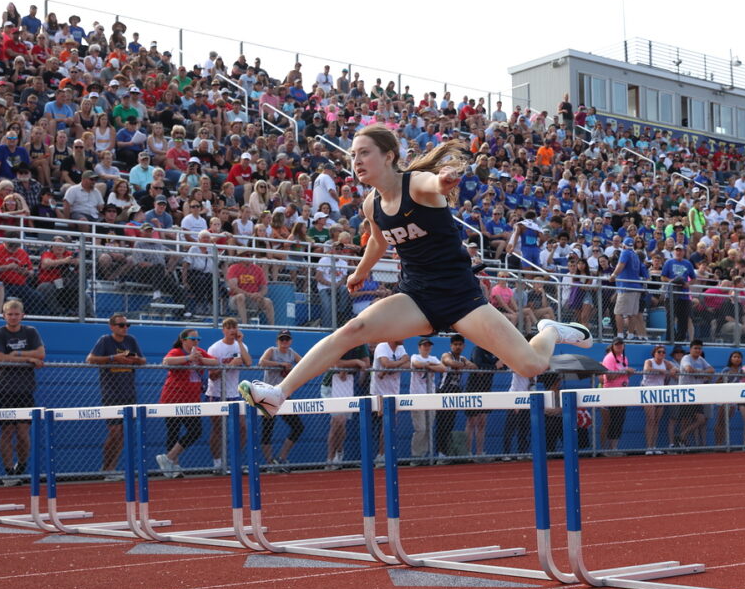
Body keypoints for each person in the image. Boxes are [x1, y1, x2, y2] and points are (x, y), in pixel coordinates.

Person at [239, 124, 590, 415]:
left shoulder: (416, 183)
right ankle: (278, 394)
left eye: (364, 152)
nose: (356, 160)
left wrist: (445, 181)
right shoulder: (371, 203)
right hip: (415, 295)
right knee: (354, 328)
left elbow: (432, 184)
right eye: (352, 155)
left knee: (530, 366)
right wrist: (360, 272)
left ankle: (550, 331)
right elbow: (377, 242)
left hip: (460, 297)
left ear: (388, 156)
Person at [0, 300, 44, 484]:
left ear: (22, 315)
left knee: (23, 432)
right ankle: (8, 472)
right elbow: (1, 358)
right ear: (4, 315)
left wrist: (18, 355)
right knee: (7, 431)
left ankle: (20, 467)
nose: (13, 317)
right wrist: (29, 357)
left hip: (25, 389)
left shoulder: (31, 332)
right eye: (9, 314)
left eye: (16, 314)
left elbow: (41, 353)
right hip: (4, 389)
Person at [85, 314, 145, 477]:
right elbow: (90, 359)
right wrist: (113, 358)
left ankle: (111, 468)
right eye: (121, 325)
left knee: (124, 433)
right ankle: (106, 468)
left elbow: (143, 360)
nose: (125, 328)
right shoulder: (105, 340)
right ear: (112, 326)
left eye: (127, 325)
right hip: (111, 392)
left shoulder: (131, 340)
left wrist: (132, 360)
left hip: (128, 392)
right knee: (115, 431)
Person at [155, 328, 217, 478]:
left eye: (198, 339)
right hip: (173, 398)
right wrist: (189, 358)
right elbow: (166, 361)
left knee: (195, 431)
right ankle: (173, 467)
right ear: (184, 340)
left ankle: (168, 458)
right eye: (193, 339)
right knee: (173, 432)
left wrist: (200, 359)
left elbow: (215, 362)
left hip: (191, 400)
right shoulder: (177, 351)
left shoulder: (199, 352)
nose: (196, 342)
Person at [205, 318, 252, 474]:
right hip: (216, 393)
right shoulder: (215, 348)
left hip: (233, 394)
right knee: (218, 429)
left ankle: (235, 461)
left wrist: (240, 343)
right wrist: (229, 365)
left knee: (242, 428)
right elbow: (212, 376)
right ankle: (217, 463)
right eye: (229, 327)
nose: (232, 330)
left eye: (235, 327)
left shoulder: (241, 345)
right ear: (223, 330)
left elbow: (249, 363)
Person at [257, 330, 303, 470]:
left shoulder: (291, 353)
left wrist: (292, 369)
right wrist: (280, 365)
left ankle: (281, 458)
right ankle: (270, 463)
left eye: (287, 339)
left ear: (290, 341)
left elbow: (303, 363)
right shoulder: (272, 351)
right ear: (277, 341)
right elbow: (261, 362)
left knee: (298, 426)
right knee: (267, 430)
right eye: (282, 339)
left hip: (283, 395)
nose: (284, 342)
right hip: (268, 394)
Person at [323, 344, 369, 469]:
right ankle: (330, 458)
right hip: (330, 386)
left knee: (341, 423)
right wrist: (355, 362)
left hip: (346, 386)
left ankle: (338, 455)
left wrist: (347, 367)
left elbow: (366, 364)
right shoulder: (343, 340)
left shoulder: (362, 345)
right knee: (336, 420)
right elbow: (336, 362)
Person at [369, 339, 409, 462]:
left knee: (390, 424)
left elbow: (409, 363)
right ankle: (380, 455)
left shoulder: (400, 348)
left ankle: (384, 454)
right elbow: (386, 363)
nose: (404, 338)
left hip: (393, 392)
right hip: (379, 392)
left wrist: (386, 371)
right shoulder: (382, 346)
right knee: (383, 425)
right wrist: (397, 363)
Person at [408, 337, 445, 463]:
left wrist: (429, 366)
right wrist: (429, 365)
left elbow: (443, 368)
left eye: (428, 345)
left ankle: (425, 455)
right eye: (424, 345)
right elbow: (417, 364)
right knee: (421, 428)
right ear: (419, 347)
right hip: (417, 397)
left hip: (430, 398)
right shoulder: (415, 356)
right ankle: (416, 456)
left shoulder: (433, 358)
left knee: (429, 428)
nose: (427, 347)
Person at [641, 344, 677, 454]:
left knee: (657, 421)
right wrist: (662, 372)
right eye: (659, 352)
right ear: (654, 353)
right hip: (648, 392)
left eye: (663, 352)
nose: (661, 354)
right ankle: (648, 447)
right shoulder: (649, 361)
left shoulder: (665, 362)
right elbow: (647, 369)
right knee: (650, 420)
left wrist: (673, 370)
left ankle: (654, 446)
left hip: (660, 393)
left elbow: (675, 368)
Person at [601, 337, 635, 455]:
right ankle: (608, 449)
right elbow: (609, 377)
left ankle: (614, 448)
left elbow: (623, 377)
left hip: (622, 391)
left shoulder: (624, 358)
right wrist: (625, 371)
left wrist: (628, 373)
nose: (619, 347)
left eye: (621, 345)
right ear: (612, 346)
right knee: (613, 420)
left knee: (620, 419)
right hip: (612, 392)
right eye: (617, 345)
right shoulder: (609, 358)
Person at [678, 339, 714, 447]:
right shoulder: (686, 358)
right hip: (686, 392)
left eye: (699, 348)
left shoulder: (701, 359)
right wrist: (703, 373)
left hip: (697, 393)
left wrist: (698, 372)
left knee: (701, 419)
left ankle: (682, 436)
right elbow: (688, 369)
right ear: (690, 349)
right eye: (695, 348)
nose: (698, 350)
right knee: (685, 419)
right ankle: (683, 443)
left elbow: (711, 370)